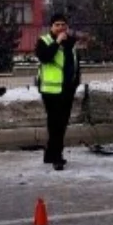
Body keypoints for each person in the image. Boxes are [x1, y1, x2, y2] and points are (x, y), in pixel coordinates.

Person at [36, 13, 82, 170]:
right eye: (57, 25)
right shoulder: (44, 41)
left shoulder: (71, 44)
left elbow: (75, 64)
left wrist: (75, 83)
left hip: (67, 90)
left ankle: (50, 154)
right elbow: (45, 57)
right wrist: (57, 42)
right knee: (56, 124)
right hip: (50, 90)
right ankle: (57, 157)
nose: (61, 28)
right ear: (51, 27)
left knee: (61, 124)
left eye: (63, 25)